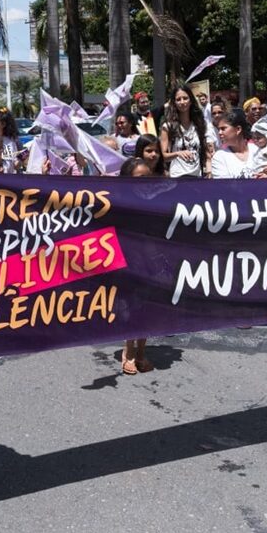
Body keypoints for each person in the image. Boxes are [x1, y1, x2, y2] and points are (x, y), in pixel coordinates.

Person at [211, 110, 267, 337]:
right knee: (241, 265)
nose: (220, 133)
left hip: (265, 216)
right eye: (218, 129)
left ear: (238, 130)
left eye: (223, 128)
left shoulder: (263, 148)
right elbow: (223, 191)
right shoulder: (220, 157)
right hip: (238, 220)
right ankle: (243, 309)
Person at [119, 157, 156, 375]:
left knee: (149, 308)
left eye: (148, 177)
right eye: (140, 177)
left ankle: (142, 352)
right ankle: (128, 352)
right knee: (132, 306)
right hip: (129, 259)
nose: (145, 182)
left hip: (150, 258)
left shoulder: (155, 199)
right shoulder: (120, 200)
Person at [160, 85, 210, 179]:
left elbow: (205, 149)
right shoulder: (168, 126)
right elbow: (164, 156)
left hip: (197, 177)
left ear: (191, 100)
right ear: (174, 103)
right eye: (178, 99)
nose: (182, 102)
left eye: (185, 98)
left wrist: (209, 169)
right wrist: (177, 153)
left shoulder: (199, 124)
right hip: (177, 177)